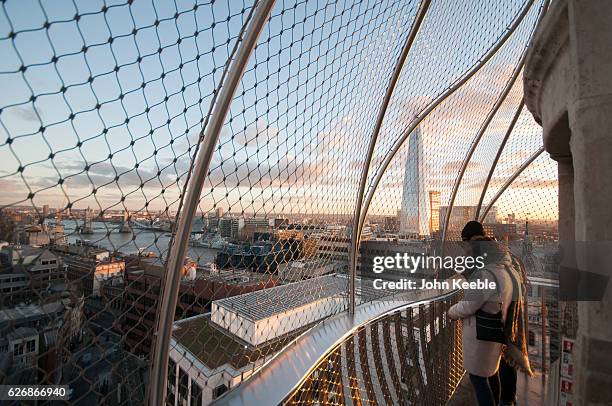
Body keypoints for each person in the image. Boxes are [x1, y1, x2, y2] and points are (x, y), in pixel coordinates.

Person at [448, 221, 514, 406]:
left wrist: (452, 312)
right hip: (496, 326)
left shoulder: (484, 273)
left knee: (478, 379)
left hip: (481, 334)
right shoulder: (503, 266)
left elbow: (470, 304)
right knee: (492, 373)